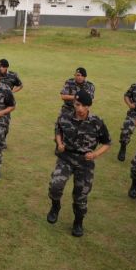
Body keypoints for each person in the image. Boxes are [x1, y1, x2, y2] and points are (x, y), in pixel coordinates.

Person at [46, 90, 111, 237]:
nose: (80, 109)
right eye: (77, 104)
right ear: (74, 103)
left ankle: (78, 222)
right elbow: (58, 130)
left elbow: (107, 143)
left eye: (84, 106)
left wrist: (95, 154)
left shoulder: (97, 122)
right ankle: (55, 206)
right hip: (66, 157)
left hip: (85, 162)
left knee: (80, 196)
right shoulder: (64, 117)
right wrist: (59, 143)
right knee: (55, 186)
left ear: (89, 106)